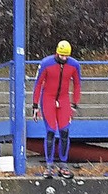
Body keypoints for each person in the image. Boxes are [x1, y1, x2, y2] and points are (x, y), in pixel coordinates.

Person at [32, 40, 81, 179]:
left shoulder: (74, 65)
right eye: (61, 56)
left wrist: (74, 103)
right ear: (57, 52)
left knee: (64, 131)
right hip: (48, 98)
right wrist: (35, 105)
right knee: (51, 131)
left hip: (64, 99)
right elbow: (38, 84)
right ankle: (49, 166)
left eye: (66, 56)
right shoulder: (46, 63)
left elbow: (77, 84)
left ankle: (64, 166)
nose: (64, 59)